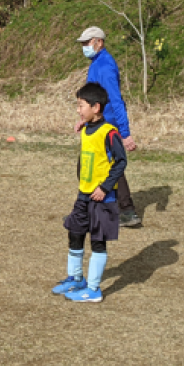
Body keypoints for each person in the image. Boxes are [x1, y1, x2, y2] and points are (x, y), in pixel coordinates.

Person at [53, 83, 127, 302]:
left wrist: (104, 187)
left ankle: (94, 290)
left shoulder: (109, 133)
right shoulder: (86, 129)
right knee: (74, 232)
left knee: (97, 241)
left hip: (103, 198)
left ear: (96, 107)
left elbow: (121, 162)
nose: (78, 110)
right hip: (83, 194)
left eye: (81, 105)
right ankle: (76, 278)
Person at [76, 26, 141, 227]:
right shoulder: (96, 64)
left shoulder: (105, 67)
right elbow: (91, 98)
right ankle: (119, 209)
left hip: (107, 125)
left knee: (98, 166)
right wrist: (84, 118)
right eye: (83, 44)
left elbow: (116, 100)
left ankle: (123, 211)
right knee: (92, 165)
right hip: (97, 123)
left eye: (87, 43)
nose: (85, 47)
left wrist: (125, 133)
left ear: (99, 42)